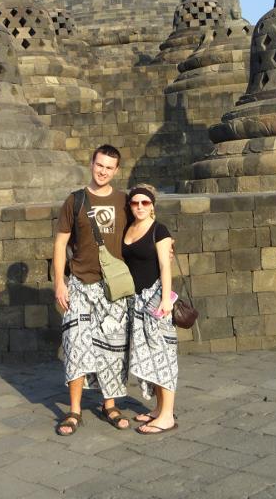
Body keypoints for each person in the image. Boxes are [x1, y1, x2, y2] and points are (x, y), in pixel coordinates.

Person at [52, 144, 131, 435]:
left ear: (116, 171)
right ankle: (74, 410)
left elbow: (141, 233)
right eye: (99, 165)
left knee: (111, 349)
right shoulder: (75, 201)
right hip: (80, 284)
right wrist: (59, 282)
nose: (103, 171)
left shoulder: (124, 201)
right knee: (75, 345)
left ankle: (109, 404)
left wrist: (166, 248)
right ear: (92, 163)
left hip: (112, 288)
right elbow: (60, 243)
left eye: (109, 167)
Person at [122, 183, 179, 434]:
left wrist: (166, 299)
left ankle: (167, 416)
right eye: (135, 203)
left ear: (152, 205)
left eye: (145, 202)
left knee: (163, 355)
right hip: (136, 301)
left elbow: (166, 267)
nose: (140, 207)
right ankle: (158, 409)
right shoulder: (129, 228)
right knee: (149, 354)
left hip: (156, 299)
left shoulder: (159, 230)